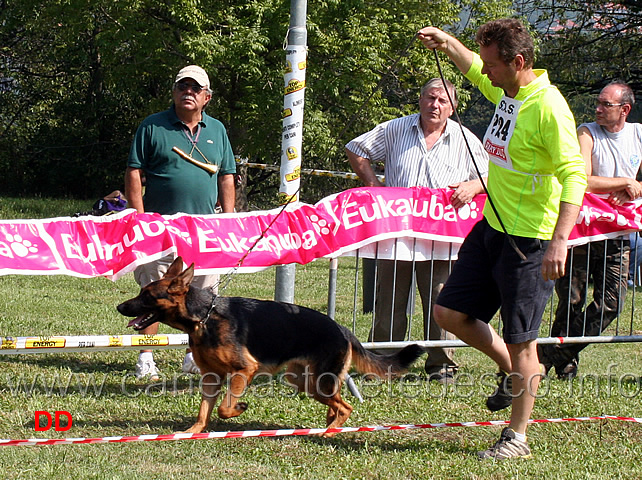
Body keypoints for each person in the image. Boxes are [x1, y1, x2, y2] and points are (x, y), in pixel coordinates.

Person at [418, 19, 587, 460]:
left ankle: (517, 437)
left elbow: (574, 175)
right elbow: (474, 68)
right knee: (448, 312)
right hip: (492, 227)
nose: (487, 72)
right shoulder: (507, 91)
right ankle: (513, 369)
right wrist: (447, 42)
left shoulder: (549, 107)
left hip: (530, 242)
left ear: (518, 62)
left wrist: (559, 241)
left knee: (523, 340)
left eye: (496, 64)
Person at [346, 78, 488, 384]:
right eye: (430, 98)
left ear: (453, 107)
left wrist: (471, 187)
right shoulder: (395, 129)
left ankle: (442, 365)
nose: (434, 105)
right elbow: (356, 148)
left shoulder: (466, 139)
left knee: (442, 302)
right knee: (389, 302)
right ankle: (383, 365)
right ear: (420, 99)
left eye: (442, 101)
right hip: (397, 234)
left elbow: (489, 176)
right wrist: (373, 183)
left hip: (443, 237)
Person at [125, 65, 236, 380]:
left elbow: (227, 176)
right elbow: (134, 171)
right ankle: (147, 357)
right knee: (153, 295)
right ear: (174, 92)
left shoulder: (217, 131)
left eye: (195, 88)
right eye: (182, 87)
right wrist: (139, 217)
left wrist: (228, 221)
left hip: (205, 231)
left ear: (207, 97)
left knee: (203, 295)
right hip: (159, 229)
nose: (188, 92)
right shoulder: (152, 127)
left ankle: (193, 356)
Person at [539, 80, 642, 378]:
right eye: (597, 102)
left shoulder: (637, 134)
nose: (597, 109)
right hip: (582, 230)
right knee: (571, 299)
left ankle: (551, 355)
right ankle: (563, 363)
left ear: (625, 110)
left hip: (618, 234)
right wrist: (625, 182)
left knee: (612, 303)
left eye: (605, 105)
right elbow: (583, 178)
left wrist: (635, 188)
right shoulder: (587, 132)